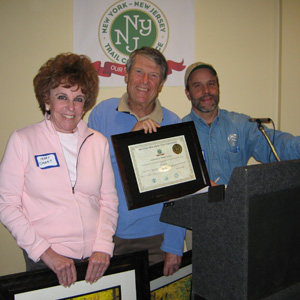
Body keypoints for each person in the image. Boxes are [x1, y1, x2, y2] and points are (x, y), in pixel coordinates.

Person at [0, 53, 119, 287]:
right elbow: (6, 204)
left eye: (79, 99)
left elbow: (109, 201)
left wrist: (103, 247)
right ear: (47, 100)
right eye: (62, 96)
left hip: (94, 261)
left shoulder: (98, 142)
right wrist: (45, 252)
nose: (70, 107)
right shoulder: (23, 140)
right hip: (46, 261)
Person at [88, 47, 185, 276]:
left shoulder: (173, 123)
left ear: (161, 84)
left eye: (153, 76)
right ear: (126, 74)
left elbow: (180, 192)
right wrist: (129, 141)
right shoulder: (102, 113)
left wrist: (173, 244)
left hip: (157, 239)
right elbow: (89, 171)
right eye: (139, 72)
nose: (144, 81)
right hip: (108, 237)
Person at [183, 61, 300, 186]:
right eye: (197, 86)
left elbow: (276, 144)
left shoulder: (241, 125)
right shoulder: (180, 132)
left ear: (218, 88)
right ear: (188, 94)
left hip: (237, 203)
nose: (206, 91)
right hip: (198, 204)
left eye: (211, 84)